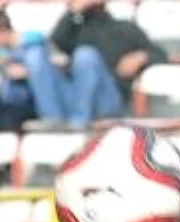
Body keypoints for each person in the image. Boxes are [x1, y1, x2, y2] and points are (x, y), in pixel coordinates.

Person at [28, 0, 167, 127]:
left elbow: (161, 55)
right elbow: (56, 41)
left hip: (108, 99)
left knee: (86, 56)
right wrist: (73, 11)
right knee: (35, 54)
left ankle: (79, 123)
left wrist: (142, 56)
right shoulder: (75, 30)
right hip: (76, 95)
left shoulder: (125, 28)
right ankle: (53, 120)